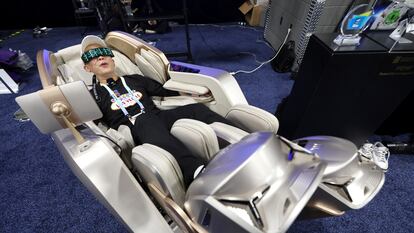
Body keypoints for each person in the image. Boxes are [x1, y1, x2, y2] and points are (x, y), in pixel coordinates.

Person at [81, 35, 233, 187]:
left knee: (196, 109)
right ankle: (195, 171)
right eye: (92, 56)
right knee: (144, 119)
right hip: (132, 128)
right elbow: (87, 124)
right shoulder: (92, 95)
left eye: (104, 52)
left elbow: (165, 90)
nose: (100, 56)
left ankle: (241, 139)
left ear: (113, 60)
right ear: (87, 68)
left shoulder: (134, 79)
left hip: (157, 116)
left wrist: (193, 93)